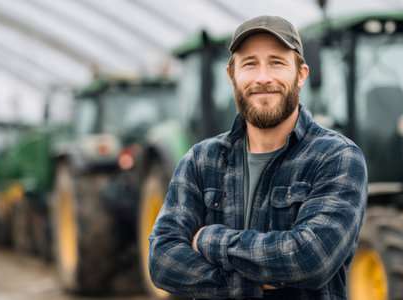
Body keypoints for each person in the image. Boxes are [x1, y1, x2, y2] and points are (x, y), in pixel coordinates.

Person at [148, 15, 367, 299]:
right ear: (232, 75)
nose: (263, 78)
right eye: (250, 63)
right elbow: (162, 260)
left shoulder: (336, 157)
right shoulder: (201, 161)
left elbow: (311, 258)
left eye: (276, 62)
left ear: (301, 74)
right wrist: (249, 285)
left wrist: (208, 239)